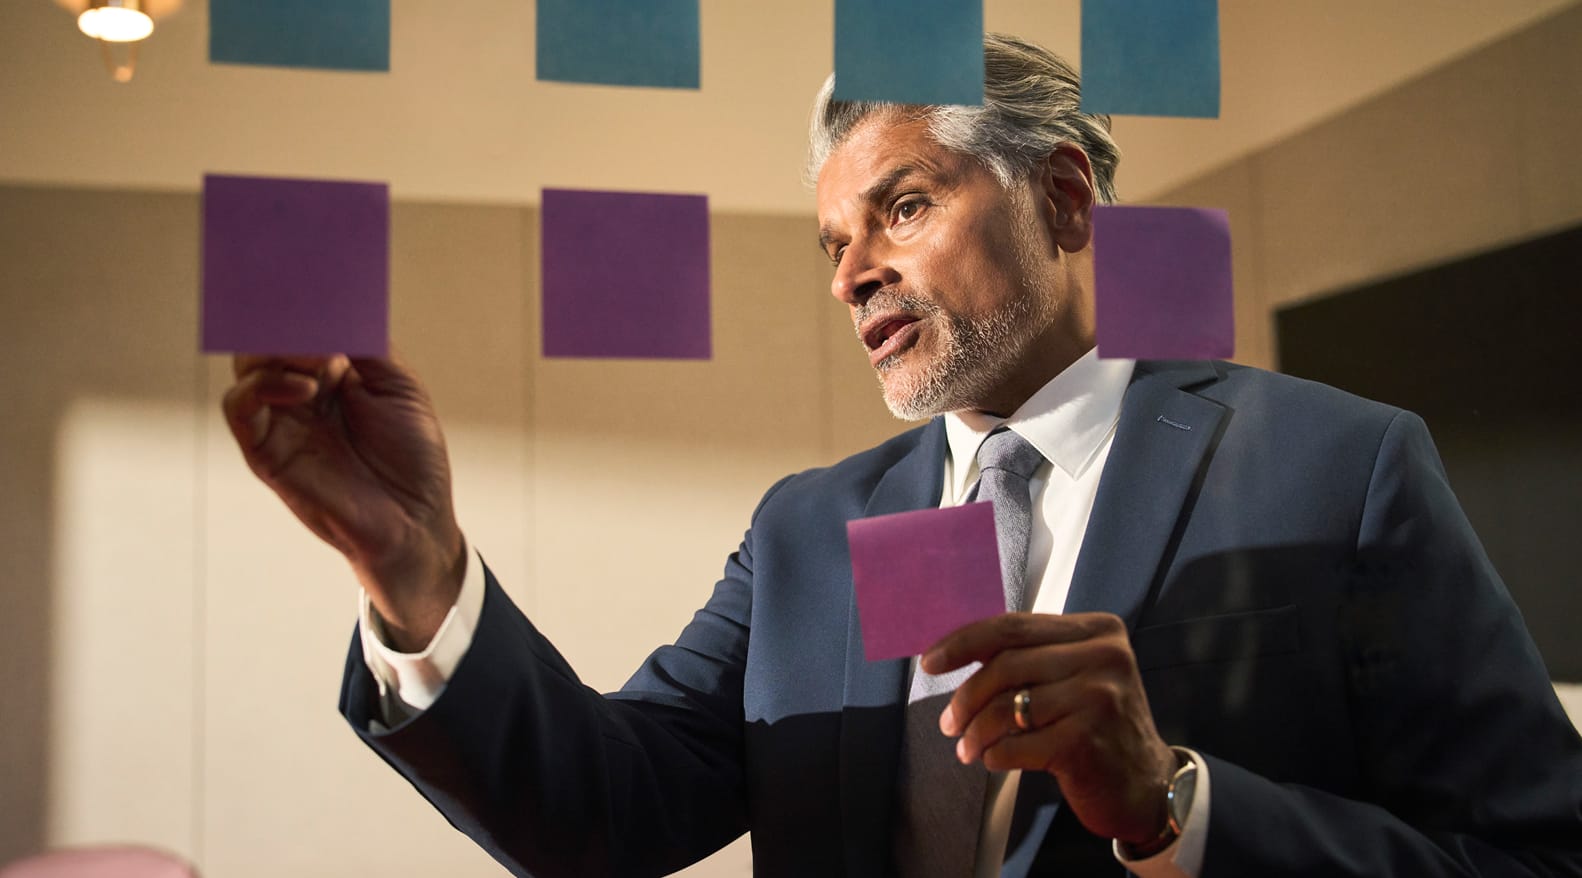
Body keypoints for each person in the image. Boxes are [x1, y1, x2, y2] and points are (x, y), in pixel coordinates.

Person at [222, 34, 1582, 878]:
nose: (851, 274)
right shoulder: (808, 530)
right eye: (831, 244)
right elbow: (605, 813)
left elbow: (1535, 854)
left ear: (1059, 196)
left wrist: (1176, 808)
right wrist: (414, 570)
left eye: (903, 207)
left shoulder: (1337, 463)